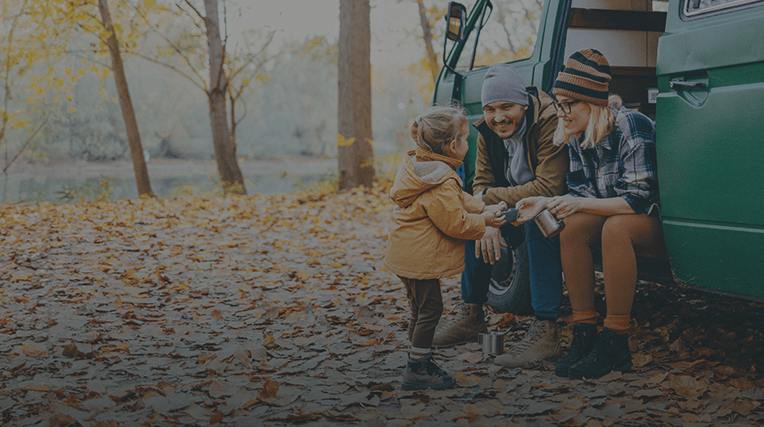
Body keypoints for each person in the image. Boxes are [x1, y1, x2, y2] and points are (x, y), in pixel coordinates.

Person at [515, 49, 665, 379]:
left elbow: (638, 200)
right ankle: (584, 332)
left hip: (653, 222)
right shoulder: (576, 135)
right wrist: (543, 203)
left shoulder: (630, 125)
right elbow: (582, 195)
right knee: (571, 228)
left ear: (592, 103)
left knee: (615, 228)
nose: (562, 113)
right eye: (558, 104)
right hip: (615, 215)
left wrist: (579, 204)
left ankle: (615, 340)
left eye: (569, 105)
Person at [432, 64, 569, 368]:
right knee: (472, 222)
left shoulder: (548, 120)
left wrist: (487, 203)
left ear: (522, 103)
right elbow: (481, 182)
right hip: (513, 206)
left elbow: (548, 186)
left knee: (539, 218)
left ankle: (547, 328)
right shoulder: (486, 130)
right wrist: (488, 219)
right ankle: (472, 316)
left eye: (507, 107)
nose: (498, 117)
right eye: (491, 109)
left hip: (556, 206)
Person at [384, 106, 506, 390]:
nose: (467, 143)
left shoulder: (426, 168)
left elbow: (460, 199)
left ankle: (418, 357)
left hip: (406, 253)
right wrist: (485, 219)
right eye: (465, 138)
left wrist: (482, 204)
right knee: (431, 309)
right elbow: (456, 223)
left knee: (420, 307)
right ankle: (417, 367)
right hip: (418, 257)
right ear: (453, 145)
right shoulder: (441, 180)